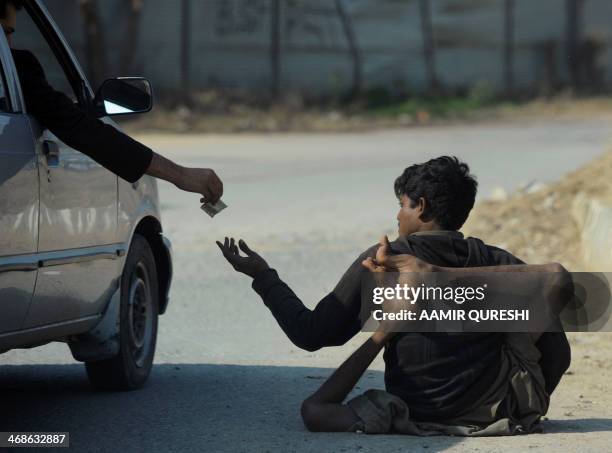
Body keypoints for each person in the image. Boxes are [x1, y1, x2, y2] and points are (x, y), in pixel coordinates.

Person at [217, 156, 572, 435]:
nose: (397, 215)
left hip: (416, 410)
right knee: (538, 305)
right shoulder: (497, 262)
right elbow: (557, 350)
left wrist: (263, 276)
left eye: (401, 205)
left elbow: (310, 334)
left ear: (420, 206)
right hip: (498, 411)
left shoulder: (382, 263)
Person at [1, 0, 222, 204]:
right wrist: (180, 175)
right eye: (5, 33)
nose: (7, 44)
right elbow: (77, 127)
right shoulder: (18, 68)